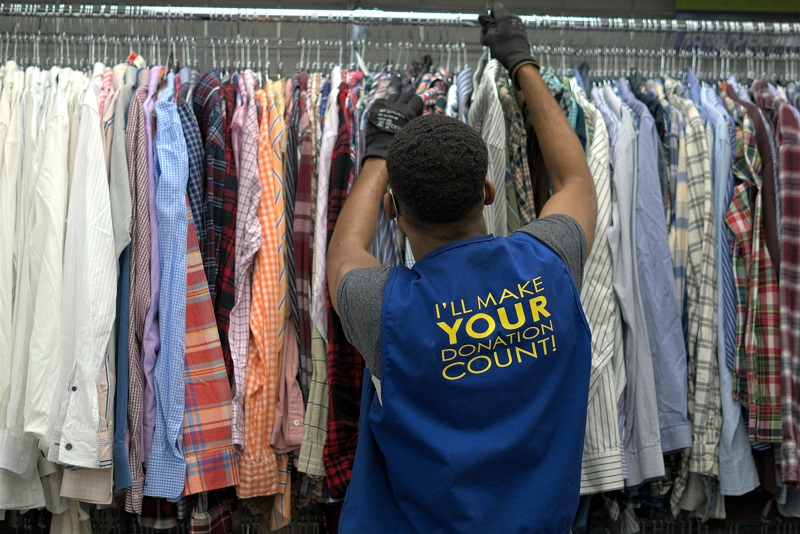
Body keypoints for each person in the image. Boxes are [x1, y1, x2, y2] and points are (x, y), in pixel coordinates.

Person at [327, 4, 597, 532]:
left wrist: (380, 151)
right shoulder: (551, 264)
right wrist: (521, 62)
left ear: (393, 213)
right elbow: (574, 180)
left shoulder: (384, 309)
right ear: (489, 192)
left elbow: (344, 250)